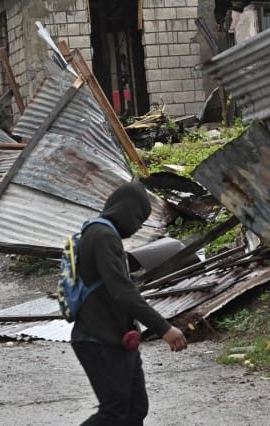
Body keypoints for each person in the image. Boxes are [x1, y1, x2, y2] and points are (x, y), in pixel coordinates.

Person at [71, 181, 188, 426]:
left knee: (135, 409)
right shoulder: (102, 236)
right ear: (126, 210)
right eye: (138, 218)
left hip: (117, 338)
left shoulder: (101, 234)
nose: (136, 228)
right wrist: (163, 328)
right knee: (114, 413)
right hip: (99, 340)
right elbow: (122, 291)